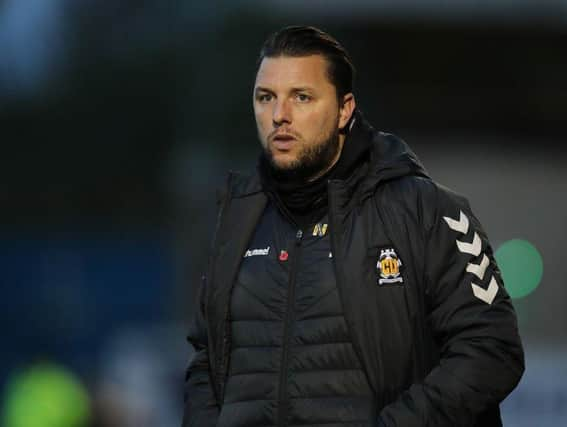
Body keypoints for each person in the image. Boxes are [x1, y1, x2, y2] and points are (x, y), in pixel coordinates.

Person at [183, 25, 524, 427]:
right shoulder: (238, 217)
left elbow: (492, 349)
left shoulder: (424, 209)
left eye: (301, 97)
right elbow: (206, 360)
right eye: (266, 98)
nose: (279, 116)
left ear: (345, 110)